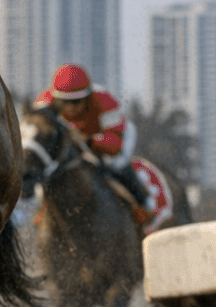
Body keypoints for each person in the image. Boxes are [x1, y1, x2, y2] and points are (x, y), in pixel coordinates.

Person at [34, 64, 156, 211]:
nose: (70, 107)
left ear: (88, 96)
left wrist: (87, 140)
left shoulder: (105, 101)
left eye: (76, 101)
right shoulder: (43, 104)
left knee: (116, 164)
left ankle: (144, 202)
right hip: (75, 142)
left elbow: (114, 146)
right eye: (63, 102)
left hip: (112, 137)